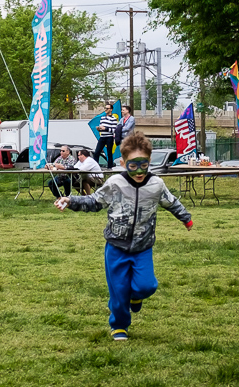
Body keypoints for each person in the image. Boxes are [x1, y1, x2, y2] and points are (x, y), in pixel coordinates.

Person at [55, 131, 193, 341]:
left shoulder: (156, 184)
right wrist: (70, 200)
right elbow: (94, 201)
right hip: (116, 247)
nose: (139, 171)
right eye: (133, 165)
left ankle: (136, 296)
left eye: (144, 165)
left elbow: (171, 202)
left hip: (142, 247)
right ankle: (119, 325)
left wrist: (185, 218)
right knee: (118, 291)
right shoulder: (115, 183)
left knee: (147, 286)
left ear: (149, 161)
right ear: (123, 162)